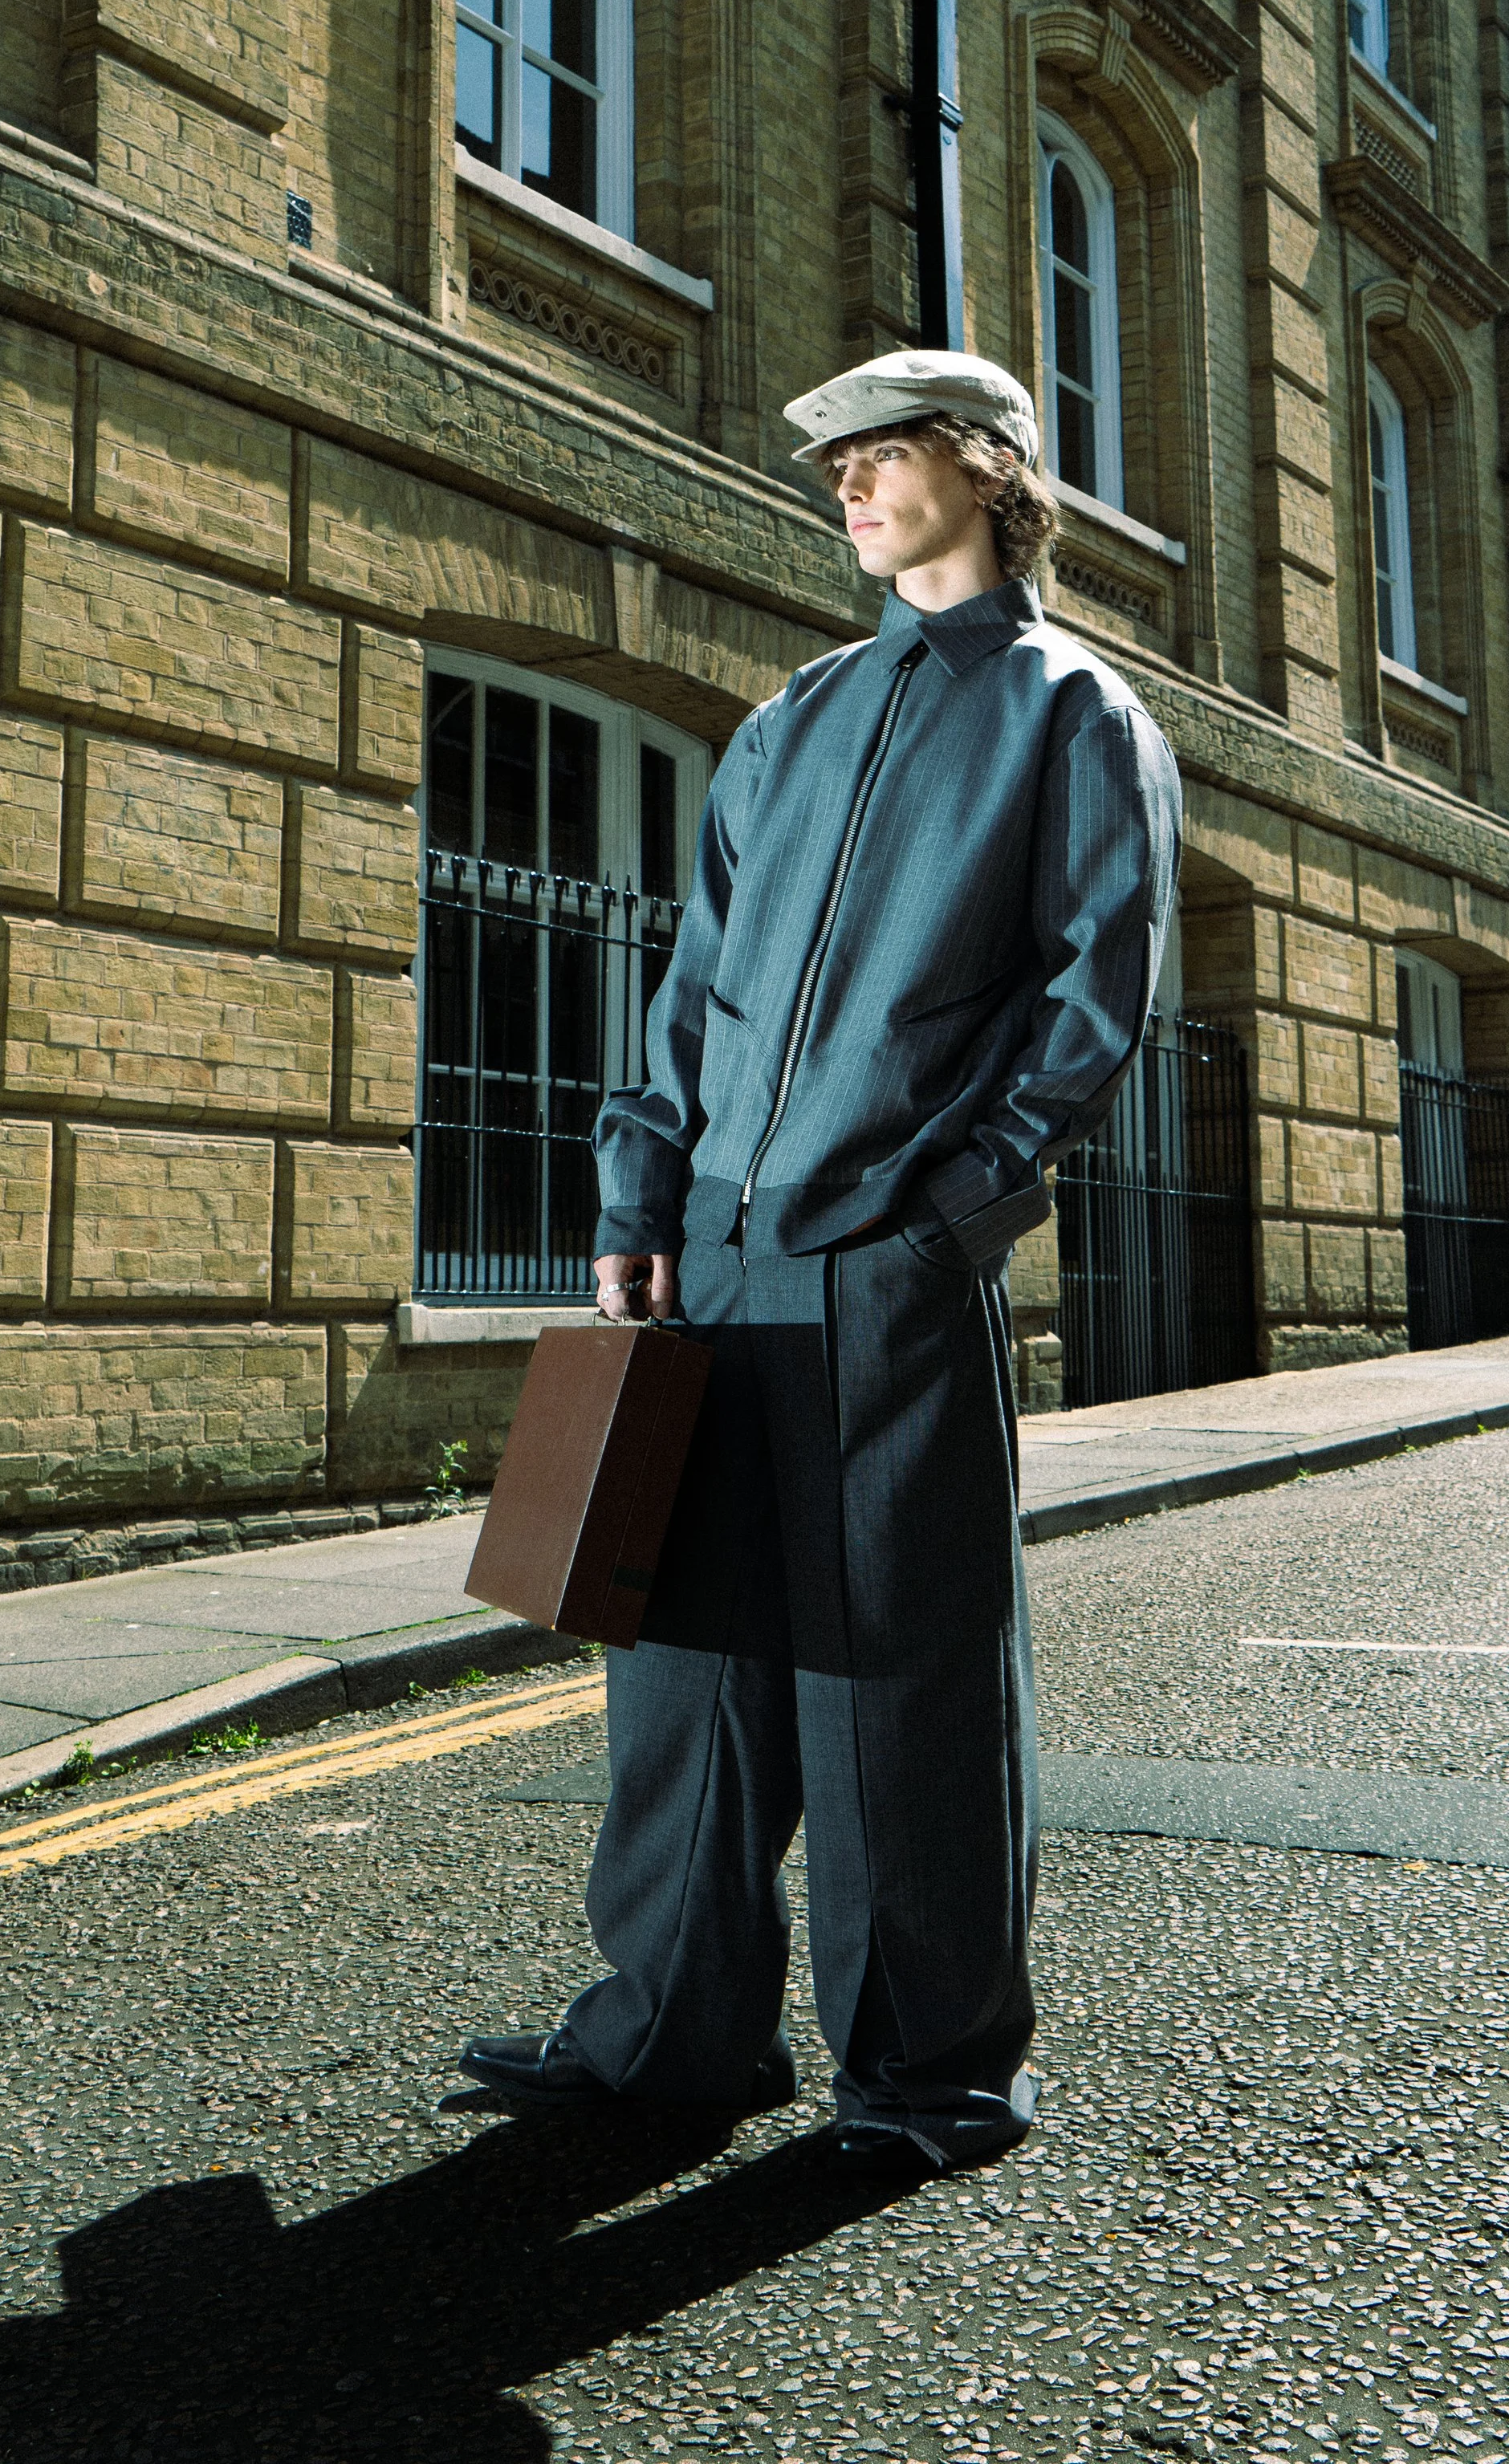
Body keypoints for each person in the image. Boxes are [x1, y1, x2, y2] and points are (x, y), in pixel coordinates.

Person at [461, 348, 1182, 2169]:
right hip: (708, 1253)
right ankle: (669, 2035)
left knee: (892, 1678)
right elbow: (693, 988)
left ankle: (926, 2071)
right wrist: (637, 1203)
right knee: (681, 1667)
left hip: (880, 1264)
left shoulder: (1067, 712)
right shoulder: (787, 717)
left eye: (883, 454)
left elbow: (1092, 1001)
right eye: (838, 462)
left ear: (991, 468)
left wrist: (950, 1213)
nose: (848, 485)